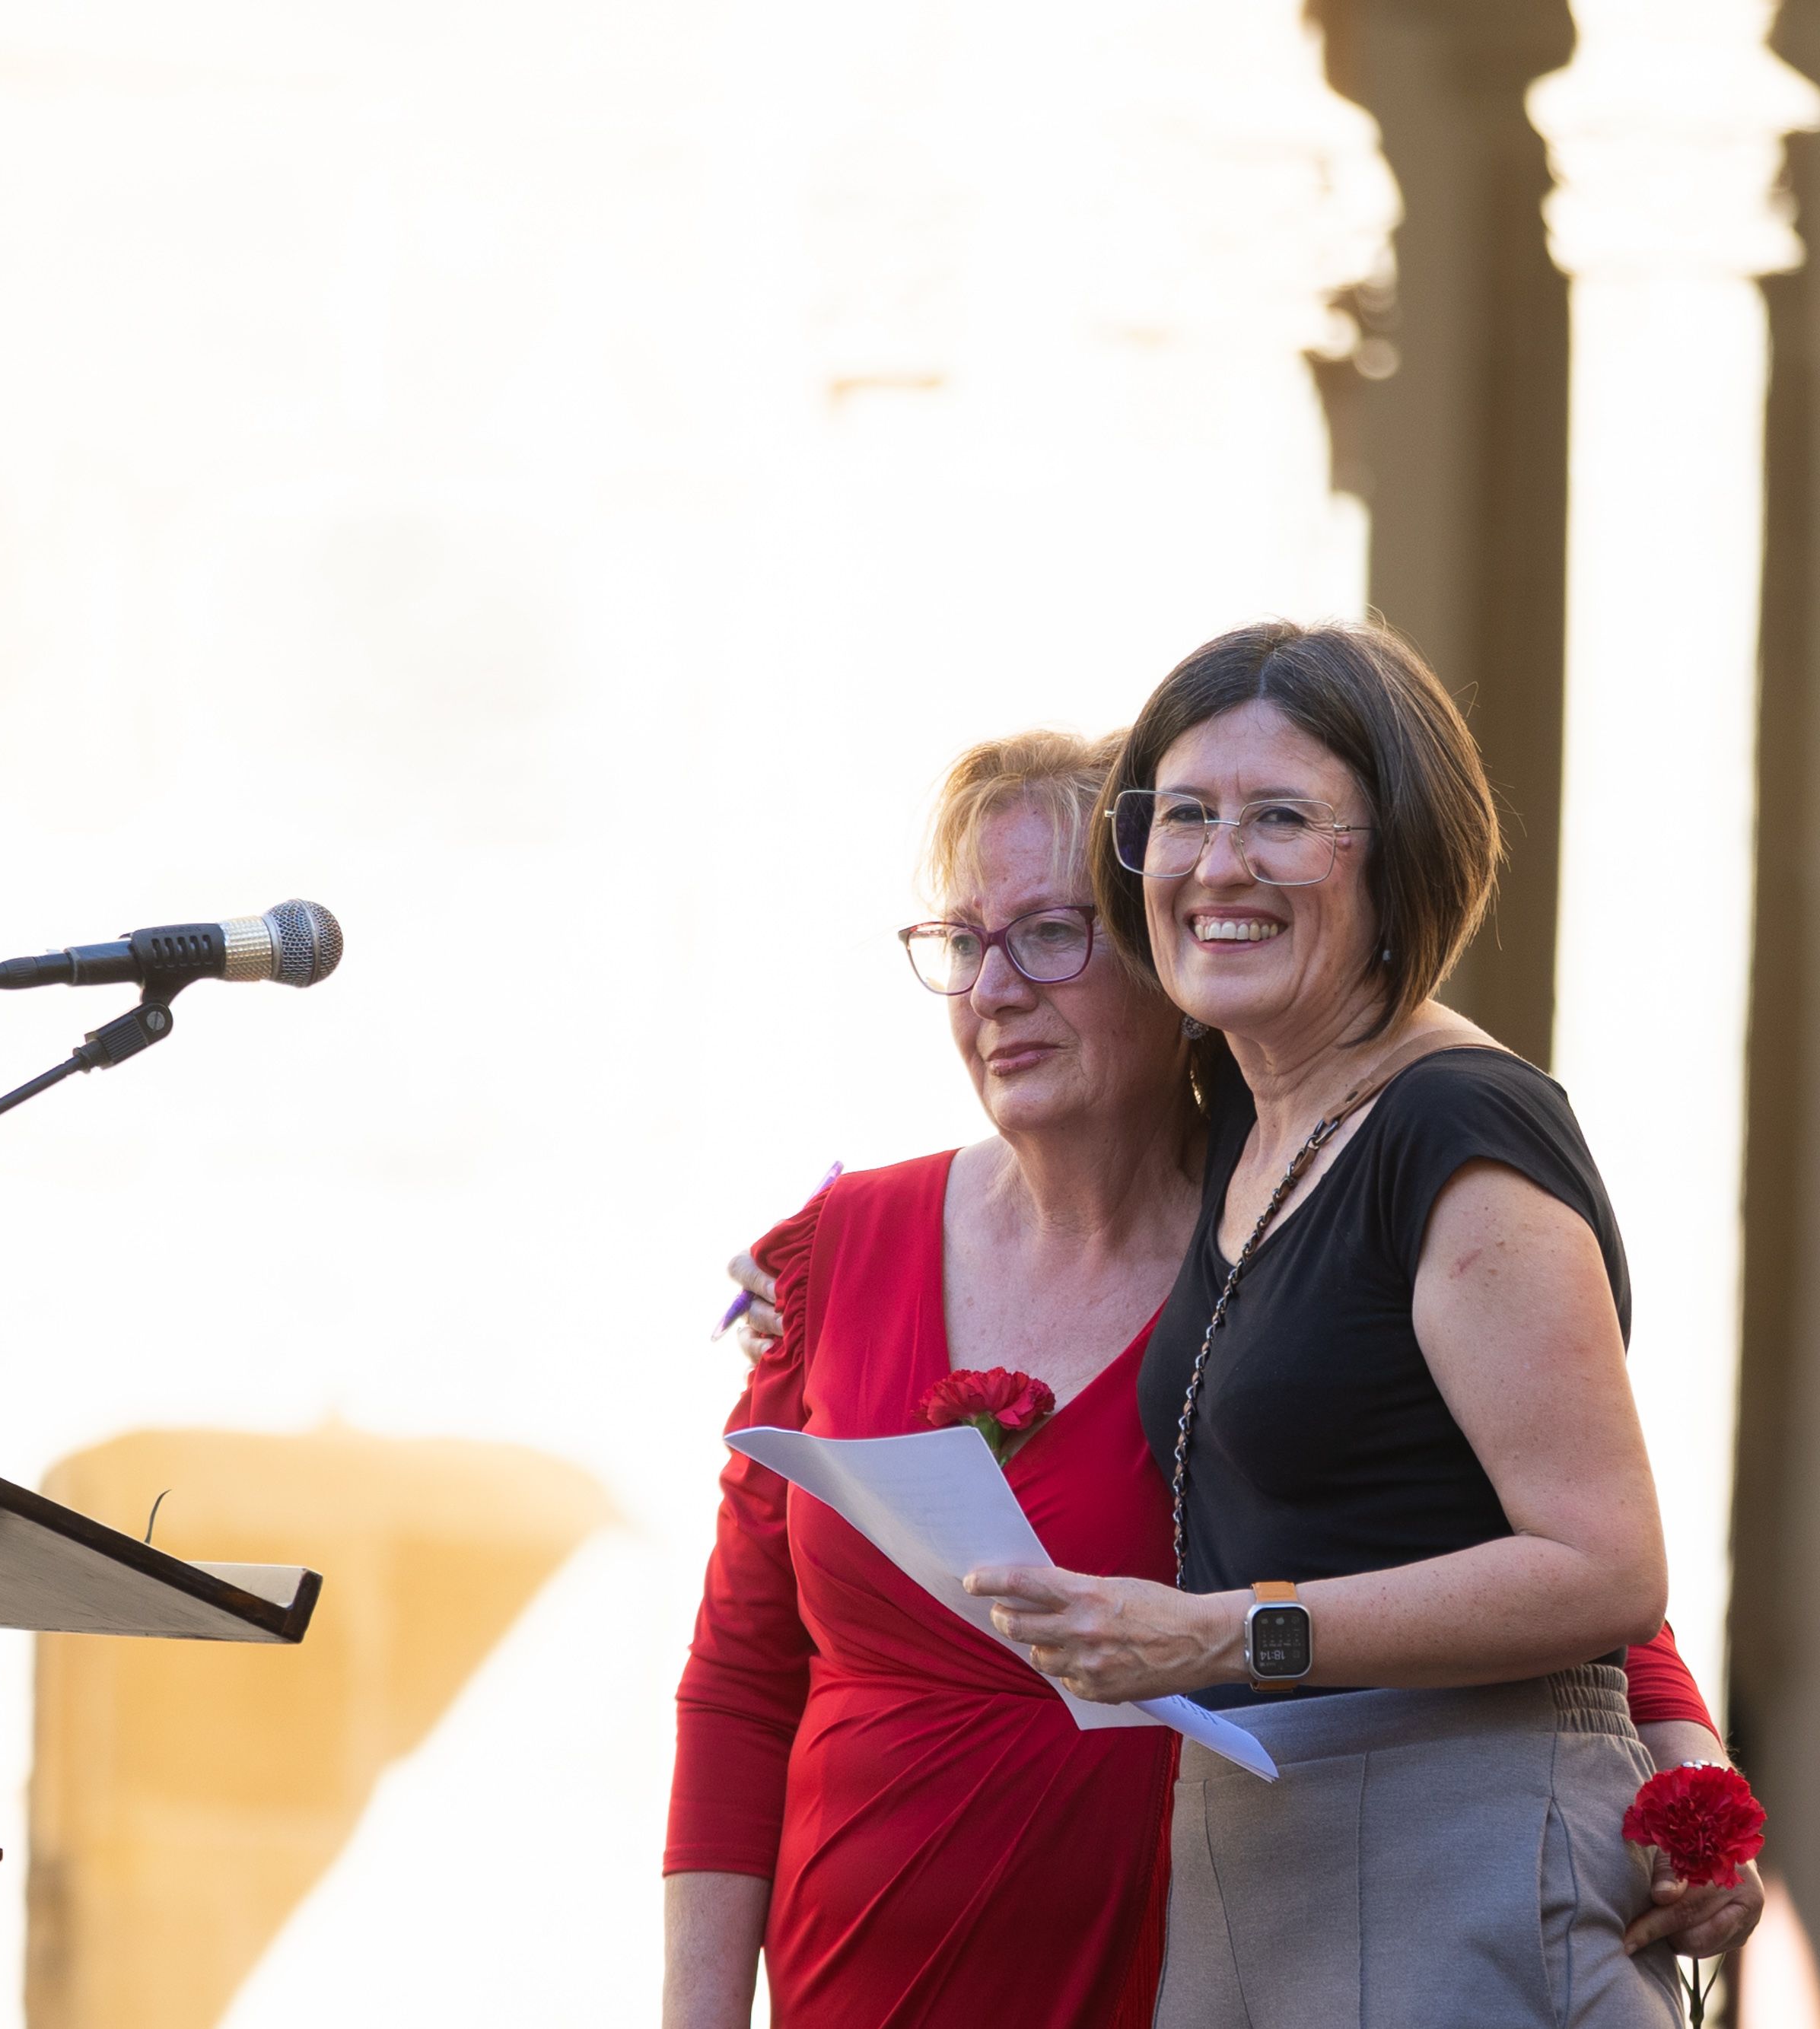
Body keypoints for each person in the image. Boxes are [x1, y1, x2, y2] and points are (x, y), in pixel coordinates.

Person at [670, 726, 1750, 2029]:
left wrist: (1690, 1782)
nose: (996, 988)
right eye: (964, 944)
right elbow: (738, 1682)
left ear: (1168, 955)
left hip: (1213, 1953)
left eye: (1053, 934)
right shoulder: (841, 1253)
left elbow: (1541, 1549)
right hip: (868, 1971)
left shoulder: (1289, 1248)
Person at [963, 621, 1710, 2027]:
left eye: (1283, 818)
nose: (1218, 862)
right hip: (1272, 1861)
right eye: (1182, 815)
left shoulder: (1460, 1129)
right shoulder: (1260, 1110)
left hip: (1455, 1854)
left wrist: (1227, 1637)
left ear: (1396, 857)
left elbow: (1604, 1568)